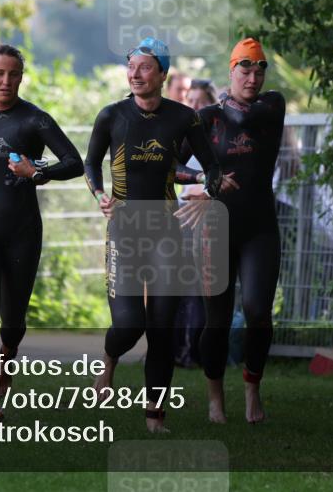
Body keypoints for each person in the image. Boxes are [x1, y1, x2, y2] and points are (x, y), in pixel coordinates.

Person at [84, 37, 224, 433]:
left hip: (166, 230)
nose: (135, 73)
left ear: (162, 74)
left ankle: (154, 416)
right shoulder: (111, 116)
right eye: (131, 66)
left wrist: (209, 181)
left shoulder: (183, 118)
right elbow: (91, 162)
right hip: (124, 230)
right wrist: (99, 194)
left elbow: (207, 167)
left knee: (162, 327)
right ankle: (109, 362)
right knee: (129, 326)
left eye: (145, 67)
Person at [0, 44, 83, 420]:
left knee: (11, 323)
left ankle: (7, 362)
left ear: (21, 77)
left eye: (13, 74)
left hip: (22, 230)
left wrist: (38, 173)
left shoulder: (35, 121)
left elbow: (74, 162)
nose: (5, 81)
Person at [178, 37, 285, 424]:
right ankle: (215, 399)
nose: (253, 77)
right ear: (231, 70)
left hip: (259, 227)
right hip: (214, 228)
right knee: (216, 319)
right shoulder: (205, 119)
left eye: (259, 69)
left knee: (258, 311)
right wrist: (204, 182)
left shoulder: (272, 106)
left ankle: (252, 391)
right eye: (245, 68)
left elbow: (242, 118)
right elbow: (169, 167)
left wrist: (223, 101)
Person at [173, 79, 219, 368]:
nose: (195, 108)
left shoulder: (216, 137)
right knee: (181, 287)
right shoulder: (184, 133)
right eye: (191, 101)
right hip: (183, 214)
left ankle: (198, 353)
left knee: (203, 290)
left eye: (201, 102)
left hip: (208, 217)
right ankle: (180, 351)